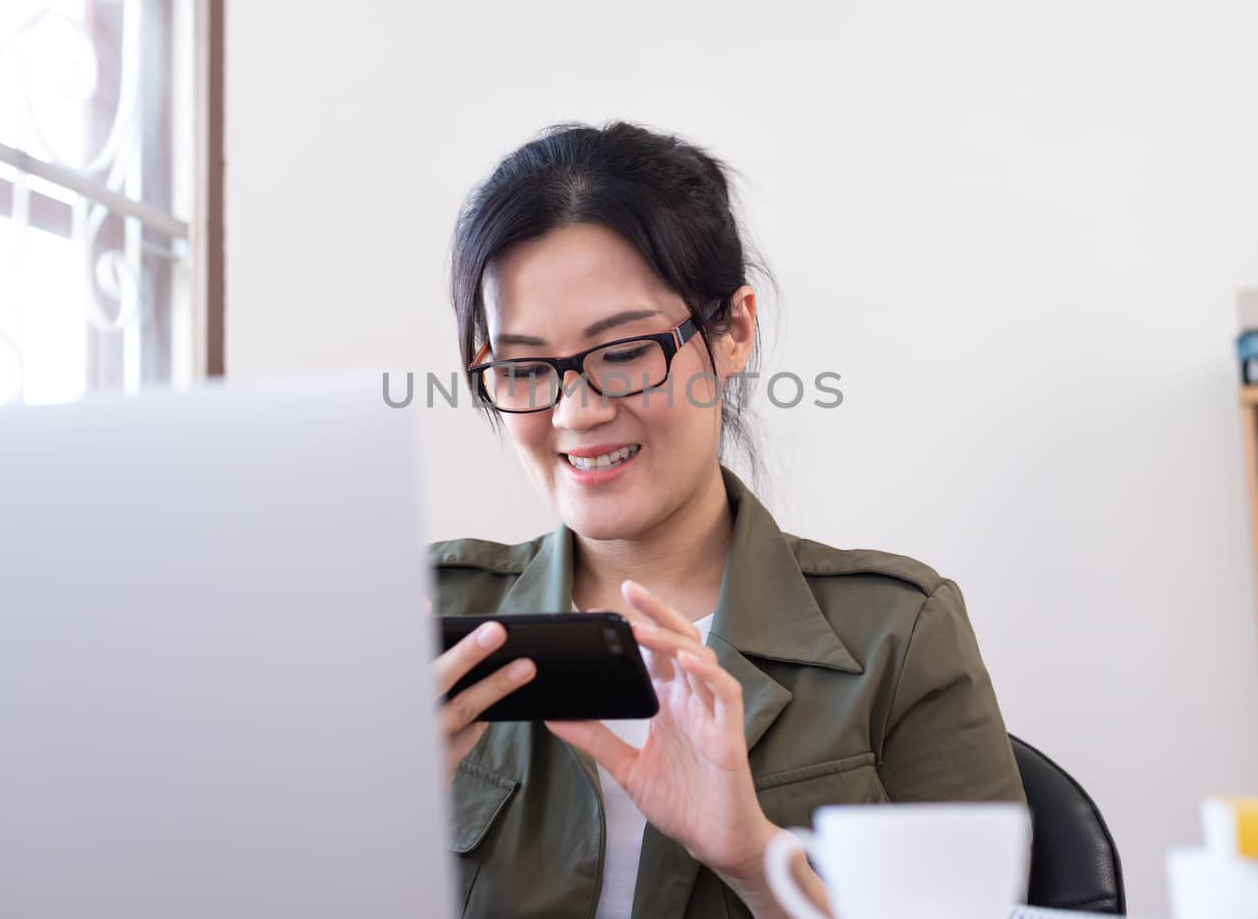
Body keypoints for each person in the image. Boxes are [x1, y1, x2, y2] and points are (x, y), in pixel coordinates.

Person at [430, 122, 1025, 919]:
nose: (576, 411)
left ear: (733, 331)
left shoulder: (897, 633)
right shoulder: (426, 619)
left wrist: (755, 860)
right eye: (525, 367)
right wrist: (356, 831)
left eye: (626, 351)